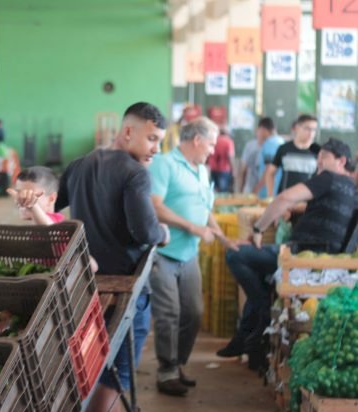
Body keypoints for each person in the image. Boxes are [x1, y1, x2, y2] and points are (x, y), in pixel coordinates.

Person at [56, 102, 169, 412]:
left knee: (101, 373)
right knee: (113, 379)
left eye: (160, 141)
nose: (156, 148)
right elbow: (143, 229)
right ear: (128, 131)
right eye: (151, 138)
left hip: (86, 289)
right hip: (125, 294)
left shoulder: (78, 166)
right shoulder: (135, 173)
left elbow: (55, 208)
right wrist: (161, 231)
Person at [217, 138, 357, 368]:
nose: (319, 162)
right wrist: (296, 212)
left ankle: (258, 317)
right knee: (262, 278)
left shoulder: (329, 178)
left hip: (303, 258)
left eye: (324, 157)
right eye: (318, 157)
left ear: (341, 161)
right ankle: (251, 342)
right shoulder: (349, 187)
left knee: (237, 254)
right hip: (322, 259)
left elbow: (284, 197)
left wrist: (258, 228)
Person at [149, 117, 235, 397]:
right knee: (169, 314)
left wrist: (222, 236)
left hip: (190, 255)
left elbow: (204, 208)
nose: (213, 150)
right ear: (196, 140)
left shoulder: (202, 170)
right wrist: (192, 227)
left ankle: (177, 364)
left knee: (194, 313)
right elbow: (156, 208)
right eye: (211, 143)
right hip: (164, 253)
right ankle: (166, 371)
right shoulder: (164, 164)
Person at [262, 114, 319, 197]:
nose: (311, 133)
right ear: (297, 128)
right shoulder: (284, 149)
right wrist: (270, 196)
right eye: (307, 129)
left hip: (308, 204)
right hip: (284, 202)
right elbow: (270, 173)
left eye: (314, 130)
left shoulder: (319, 152)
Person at [208, 127, 235, 193]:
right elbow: (230, 156)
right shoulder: (229, 141)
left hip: (213, 168)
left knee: (214, 189)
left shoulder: (214, 140)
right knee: (223, 191)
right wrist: (233, 169)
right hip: (224, 169)